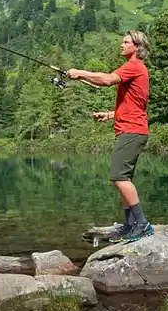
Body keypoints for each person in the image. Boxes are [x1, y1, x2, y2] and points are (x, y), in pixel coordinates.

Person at [65, 30, 153, 243]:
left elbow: (106, 80)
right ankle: (130, 224)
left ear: (137, 46)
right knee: (124, 179)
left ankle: (142, 224)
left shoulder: (134, 66)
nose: (121, 45)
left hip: (132, 131)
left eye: (125, 42)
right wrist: (110, 114)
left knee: (119, 177)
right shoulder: (136, 69)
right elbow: (136, 103)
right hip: (131, 128)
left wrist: (81, 72)